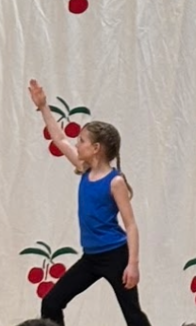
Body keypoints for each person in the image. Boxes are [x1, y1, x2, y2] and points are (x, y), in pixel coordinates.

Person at [28, 80, 151, 326]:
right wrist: (43, 107)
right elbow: (59, 139)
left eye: (82, 140)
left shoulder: (115, 182)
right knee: (51, 303)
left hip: (115, 256)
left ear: (96, 148)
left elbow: (131, 225)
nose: (77, 143)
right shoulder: (84, 169)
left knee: (133, 316)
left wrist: (133, 264)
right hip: (91, 257)